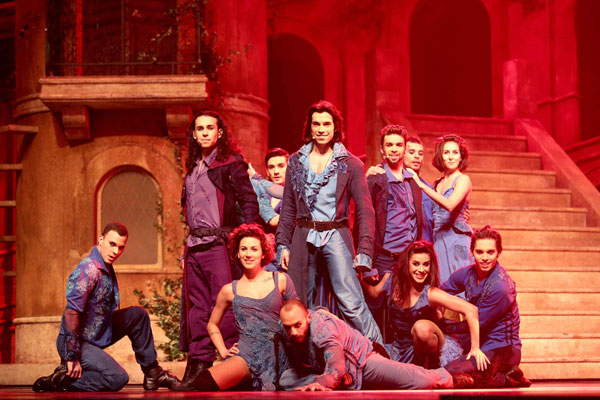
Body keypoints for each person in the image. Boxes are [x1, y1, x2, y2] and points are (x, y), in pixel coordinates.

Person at [275, 100, 382, 344]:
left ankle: (378, 352)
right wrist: (282, 243)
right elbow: (289, 207)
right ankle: (308, 358)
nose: (322, 129)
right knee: (299, 302)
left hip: (335, 234)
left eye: (326, 124)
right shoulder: (295, 162)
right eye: (316, 124)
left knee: (352, 302)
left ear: (335, 127)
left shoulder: (350, 163)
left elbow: (365, 211)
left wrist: (365, 250)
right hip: (303, 234)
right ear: (310, 128)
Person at [32, 223, 179, 392]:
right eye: (112, 244)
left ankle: (153, 372)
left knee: (137, 315)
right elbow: (71, 313)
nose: (116, 251)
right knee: (118, 378)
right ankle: (60, 380)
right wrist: (72, 356)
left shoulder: (105, 265)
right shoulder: (88, 270)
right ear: (101, 240)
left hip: (98, 332)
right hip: (78, 343)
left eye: (121, 247)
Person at [179, 110, 260, 387]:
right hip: (195, 246)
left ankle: (234, 370)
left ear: (219, 132)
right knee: (197, 309)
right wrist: (185, 249)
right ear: (193, 134)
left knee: (224, 305)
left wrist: (246, 238)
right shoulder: (192, 168)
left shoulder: (231, 164)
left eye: (210, 128)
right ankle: (197, 367)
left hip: (219, 244)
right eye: (199, 128)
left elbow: (249, 201)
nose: (204, 132)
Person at [175, 224, 298, 391]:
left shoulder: (280, 279)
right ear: (237, 253)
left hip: (279, 352)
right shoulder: (229, 290)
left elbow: (298, 312)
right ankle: (248, 380)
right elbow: (212, 324)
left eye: (254, 249)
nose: (248, 254)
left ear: (263, 253)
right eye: (243, 249)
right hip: (246, 355)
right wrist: (223, 350)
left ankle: (252, 383)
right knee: (203, 382)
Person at [277, 299, 461, 391]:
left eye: (297, 325)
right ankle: (336, 381)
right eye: (288, 327)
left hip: (364, 362)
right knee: (285, 380)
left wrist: (322, 382)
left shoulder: (322, 329)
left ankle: (443, 375)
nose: (293, 332)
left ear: (309, 317)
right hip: (334, 372)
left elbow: (336, 366)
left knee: (421, 381)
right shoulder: (284, 327)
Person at [363, 240, 489, 370]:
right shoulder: (391, 281)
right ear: (407, 264)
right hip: (398, 348)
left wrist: (475, 348)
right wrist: (358, 278)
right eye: (416, 264)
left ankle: (426, 367)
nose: (421, 270)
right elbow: (373, 293)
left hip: (428, 345)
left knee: (421, 328)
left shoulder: (430, 293)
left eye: (426, 264)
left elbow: (471, 309)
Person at [442, 225, 531, 388]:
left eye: (490, 252)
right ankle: (499, 375)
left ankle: (507, 377)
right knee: (448, 369)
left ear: (498, 252)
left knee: (451, 372)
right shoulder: (467, 274)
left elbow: (475, 322)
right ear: (471, 252)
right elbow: (441, 292)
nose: (484, 258)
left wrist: (444, 326)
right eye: (479, 252)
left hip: (502, 349)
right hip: (480, 342)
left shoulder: (500, 287)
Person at [408, 134, 473, 283]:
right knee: (442, 286)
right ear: (440, 156)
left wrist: (421, 185)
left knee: (461, 286)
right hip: (438, 241)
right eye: (446, 152)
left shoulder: (463, 179)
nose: (451, 157)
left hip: (457, 240)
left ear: (461, 157)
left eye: (455, 152)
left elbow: (450, 205)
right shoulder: (437, 183)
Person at [248, 148, 289, 232]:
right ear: (267, 172)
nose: (276, 171)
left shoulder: (297, 194)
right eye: (271, 167)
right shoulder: (262, 193)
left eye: (281, 166)